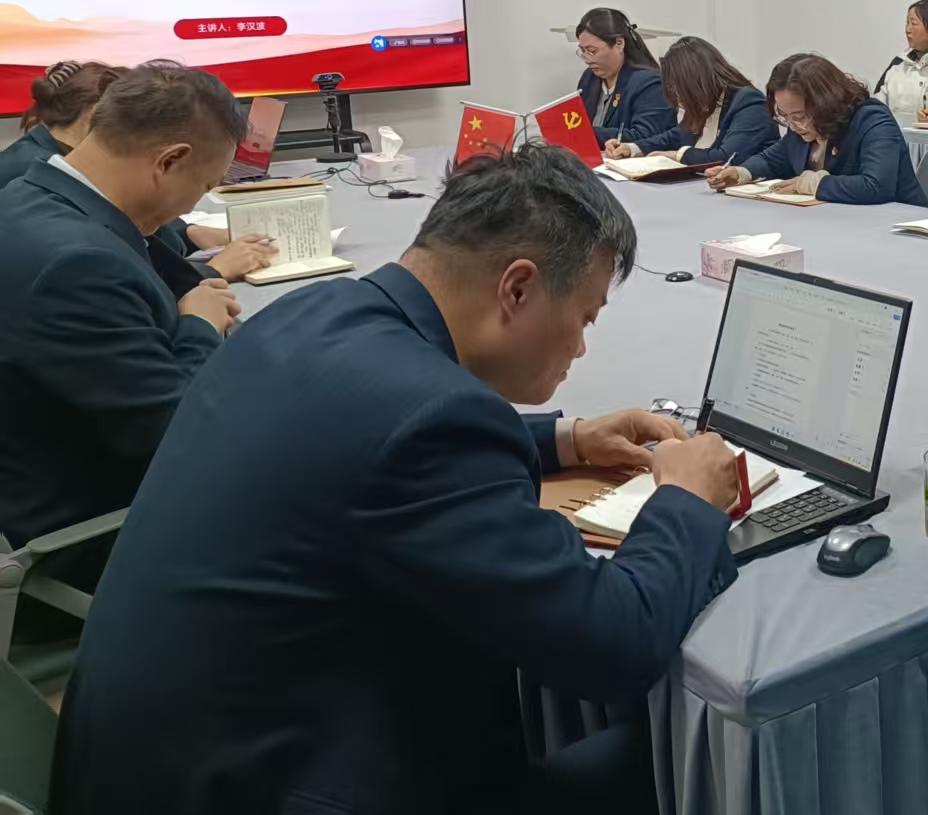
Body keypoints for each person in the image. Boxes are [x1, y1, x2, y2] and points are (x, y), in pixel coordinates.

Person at [52, 146, 741, 815]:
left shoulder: (310, 313)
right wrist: (685, 499)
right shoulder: (434, 422)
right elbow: (614, 644)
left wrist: (566, 438)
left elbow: (363, 442)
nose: (582, 345)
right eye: (585, 316)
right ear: (518, 287)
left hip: (156, 765)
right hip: (275, 784)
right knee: (670, 772)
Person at [0, 62, 247, 554]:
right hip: (106, 532)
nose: (191, 206)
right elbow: (176, 434)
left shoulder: (25, 197)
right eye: (204, 186)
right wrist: (199, 325)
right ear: (169, 162)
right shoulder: (79, 265)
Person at [0, 60, 274, 282]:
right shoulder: (30, 176)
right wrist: (209, 283)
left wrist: (189, 233)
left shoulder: (51, 177)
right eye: (206, 186)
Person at [708, 54, 926, 205]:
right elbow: (773, 159)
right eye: (785, 116)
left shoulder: (871, 119)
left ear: (825, 103)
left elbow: (876, 186)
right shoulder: (800, 126)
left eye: (799, 116)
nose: (793, 125)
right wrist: (741, 173)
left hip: (895, 224)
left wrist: (812, 183)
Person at [603, 36, 777, 167]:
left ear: (697, 81)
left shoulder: (748, 102)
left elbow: (726, 157)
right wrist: (632, 148)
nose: (678, 96)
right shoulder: (703, 103)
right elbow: (674, 136)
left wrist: (676, 156)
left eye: (679, 88)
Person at [574, 7, 675, 146]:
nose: (587, 59)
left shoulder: (650, 83)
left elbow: (644, 136)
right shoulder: (589, 78)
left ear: (619, 43)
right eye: (582, 51)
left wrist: (581, 133)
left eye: (592, 51)